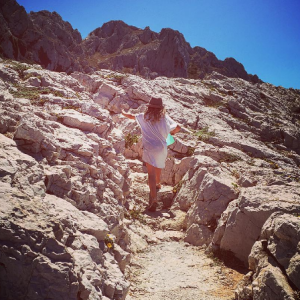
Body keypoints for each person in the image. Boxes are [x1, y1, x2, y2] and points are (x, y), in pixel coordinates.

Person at [122, 97, 181, 212]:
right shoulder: (164, 118)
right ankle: (158, 184)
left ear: (149, 107)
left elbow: (130, 116)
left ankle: (153, 199)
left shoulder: (144, 117)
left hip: (149, 147)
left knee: (151, 174)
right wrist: (170, 133)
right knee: (158, 165)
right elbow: (178, 127)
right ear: (161, 108)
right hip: (162, 147)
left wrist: (123, 112)